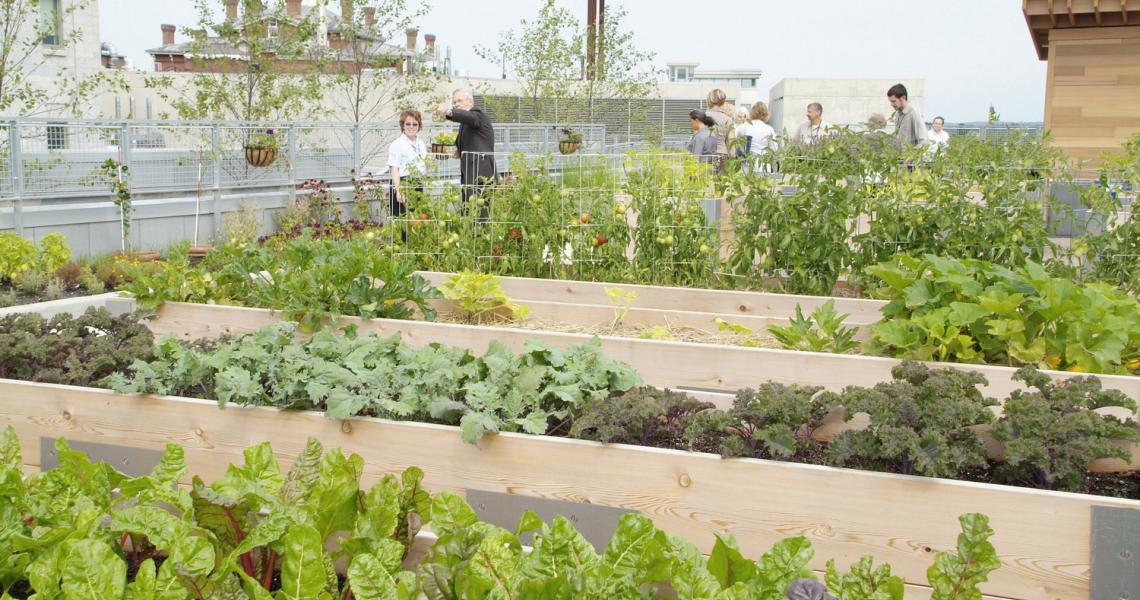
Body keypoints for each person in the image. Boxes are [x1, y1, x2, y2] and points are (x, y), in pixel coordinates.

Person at [434, 88, 496, 212]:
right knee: (469, 209)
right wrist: (458, 150)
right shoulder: (465, 124)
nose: (456, 104)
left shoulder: (477, 114)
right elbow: (467, 140)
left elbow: (469, 117)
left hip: (481, 171)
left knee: (481, 209)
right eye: (454, 102)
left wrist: (447, 111)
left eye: (459, 101)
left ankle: (482, 232)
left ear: (470, 102)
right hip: (469, 171)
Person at [387, 109, 427, 219]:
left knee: (416, 221)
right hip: (403, 184)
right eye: (408, 123)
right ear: (402, 125)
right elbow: (394, 168)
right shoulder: (397, 144)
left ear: (419, 126)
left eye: (415, 124)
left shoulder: (421, 144)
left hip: (417, 183)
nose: (411, 126)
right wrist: (399, 190)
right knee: (402, 221)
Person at [887, 83, 928, 148]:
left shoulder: (914, 114)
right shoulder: (898, 115)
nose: (891, 104)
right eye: (890, 101)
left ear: (903, 98)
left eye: (893, 101)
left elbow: (924, 142)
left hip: (909, 157)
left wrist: (910, 156)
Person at [705, 89, 734, 169]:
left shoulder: (704, 116)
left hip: (706, 153)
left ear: (710, 99)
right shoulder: (728, 119)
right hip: (722, 153)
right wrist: (732, 157)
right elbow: (731, 141)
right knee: (721, 179)